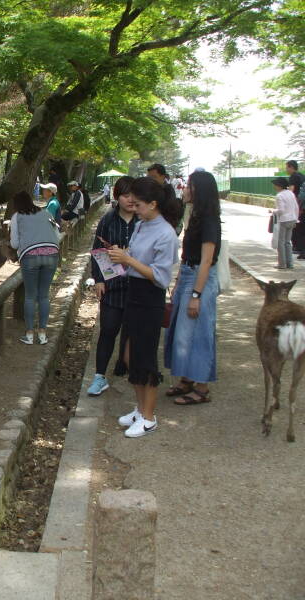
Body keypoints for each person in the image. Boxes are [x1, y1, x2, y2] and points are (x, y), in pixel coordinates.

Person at [107, 177, 180, 438]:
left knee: (145, 358)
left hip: (150, 299)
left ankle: (149, 417)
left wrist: (128, 259)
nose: (133, 208)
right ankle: (140, 409)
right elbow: (136, 259)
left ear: (153, 204)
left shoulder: (165, 233)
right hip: (134, 296)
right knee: (129, 356)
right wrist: (121, 255)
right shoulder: (141, 225)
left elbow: (160, 277)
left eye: (138, 204)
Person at [164, 170, 222, 405]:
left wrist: (196, 295)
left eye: (189, 185)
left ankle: (202, 387)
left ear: (200, 191)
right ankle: (187, 378)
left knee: (197, 333)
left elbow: (207, 260)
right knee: (180, 332)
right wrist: (179, 282)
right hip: (188, 274)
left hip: (200, 277)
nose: (184, 189)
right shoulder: (195, 215)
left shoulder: (209, 219)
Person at [87, 176, 137, 396]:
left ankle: (130, 370)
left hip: (138, 285)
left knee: (133, 331)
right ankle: (99, 377)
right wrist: (98, 279)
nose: (131, 200)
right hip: (112, 285)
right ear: (117, 196)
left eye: (134, 195)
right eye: (126, 195)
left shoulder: (144, 222)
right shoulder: (108, 220)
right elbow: (97, 251)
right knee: (108, 330)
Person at [9, 190, 61, 345]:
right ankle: (43, 334)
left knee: (30, 296)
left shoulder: (17, 217)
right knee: (44, 295)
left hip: (30, 256)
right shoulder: (46, 214)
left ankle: (30, 334)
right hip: (52, 254)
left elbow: (14, 244)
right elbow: (57, 235)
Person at [270, 176, 298, 270]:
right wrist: (296, 219)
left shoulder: (279, 196)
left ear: (279, 186)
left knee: (280, 243)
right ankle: (290, 263)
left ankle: (282, 264)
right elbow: (296, 207)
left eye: (275, 185)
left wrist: (273, 211)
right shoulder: (290, 193)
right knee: (287, 242)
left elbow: (281, 210)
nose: (274, 186)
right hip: (292, 219)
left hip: (284, 220)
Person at [147, 163, 182, 234]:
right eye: (149, 177)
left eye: (154, 177)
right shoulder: (151, 190)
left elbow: (169, 212)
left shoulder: (168, 190)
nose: (150, 180)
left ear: (162, 177)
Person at [285, 161, 305, 258]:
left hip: (297, 205)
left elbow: (291, 191)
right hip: (302, 205)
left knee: (295, 227)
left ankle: (297, 247)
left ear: (291, 167)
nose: (286, 169)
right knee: (302, 227)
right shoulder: (302, 175)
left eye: (287, 167)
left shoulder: (293, 177)